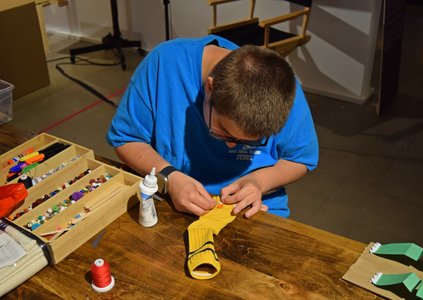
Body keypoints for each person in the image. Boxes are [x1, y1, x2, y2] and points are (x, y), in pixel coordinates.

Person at [107, 35, 318, 218]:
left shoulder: (285, 92)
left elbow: (299, 159)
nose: (232, 147)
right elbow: (126, 138)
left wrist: (258, 182)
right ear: (210, 88)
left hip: (256, 207)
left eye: (251, 142)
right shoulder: (165, 64)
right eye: (224, 132)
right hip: (171, 201)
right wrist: (169, 177)